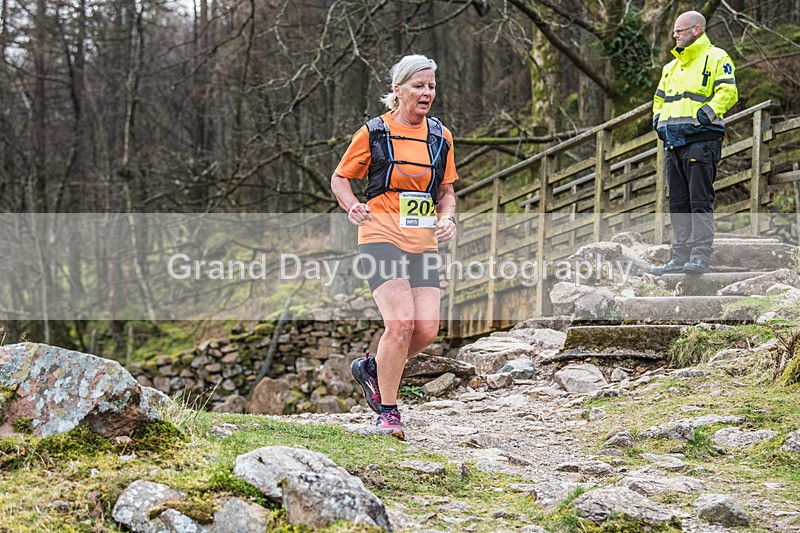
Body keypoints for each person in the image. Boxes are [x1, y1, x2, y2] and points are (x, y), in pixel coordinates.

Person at [330, 54, 458, 440]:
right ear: (398, 90)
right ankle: (387, 412)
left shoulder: (441, 136)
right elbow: (340, 178)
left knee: (426, 330)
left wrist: (447, 218)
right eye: (419, 86)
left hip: (422, 241)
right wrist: (352, 205)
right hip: (380, 236)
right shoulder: (373, 132)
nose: (427, 93)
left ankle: (372, 368)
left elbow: (447, 192)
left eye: (431, 86)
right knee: (400, 323)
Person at [650, 10, 738, 276]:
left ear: (696, 30)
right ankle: (680, 256)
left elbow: (728, 91)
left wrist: (703, 116)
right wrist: (658, 122)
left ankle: (700, 256)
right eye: (674, 31)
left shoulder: (716, 57)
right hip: (673, 143)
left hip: (701, 141)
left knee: (699, 200)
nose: (674, 35)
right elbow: (658, 100)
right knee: (678, 203)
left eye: (679, 30)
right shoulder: (670, 67)